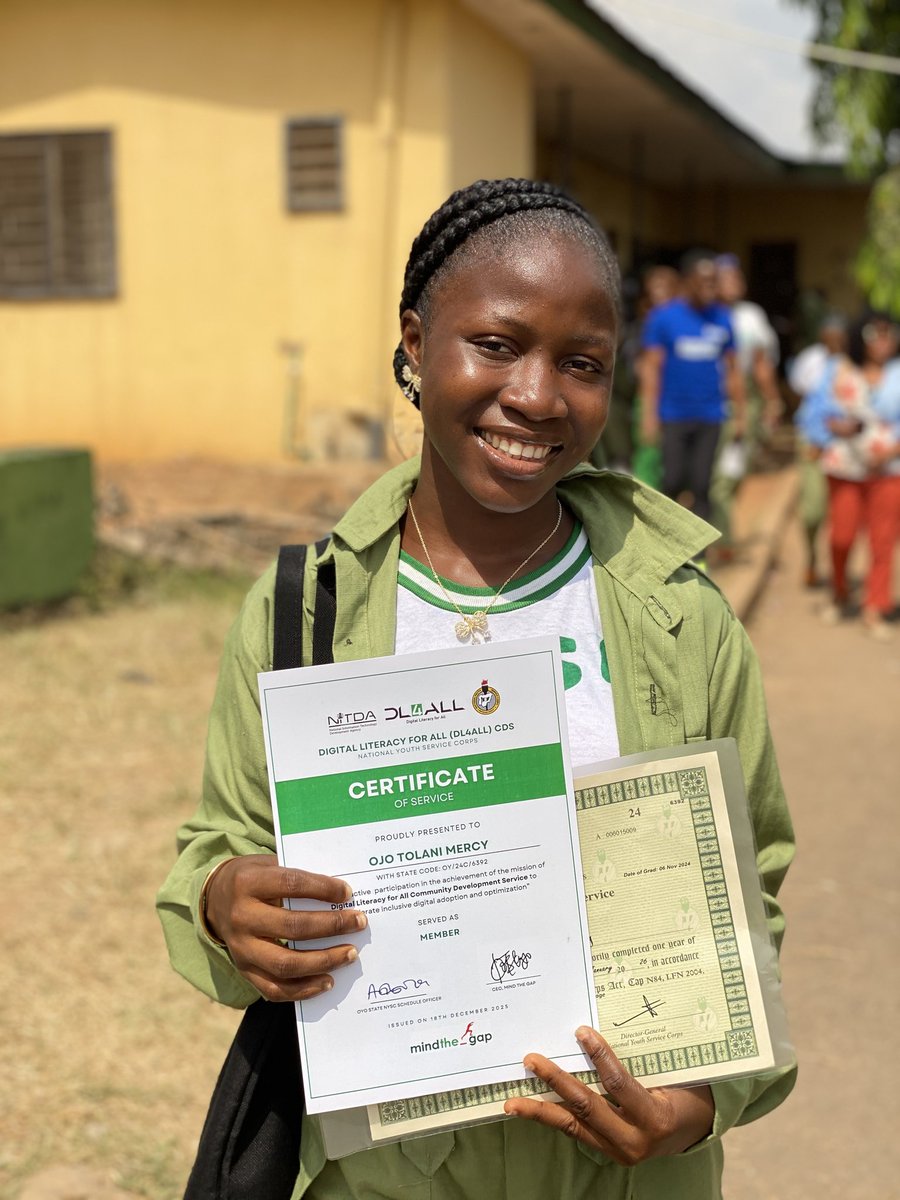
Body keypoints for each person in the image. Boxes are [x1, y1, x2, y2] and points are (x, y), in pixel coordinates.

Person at [157, 179, 794, 1199]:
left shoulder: (683, 617)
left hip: (624, 1180)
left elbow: (748, 885)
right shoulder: (301, 612)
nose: (538, 396)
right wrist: (224, 904)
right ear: (414, 341)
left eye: (581, 364)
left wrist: (704, 1101)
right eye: (497, 345)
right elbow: (219, 848)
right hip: (385, 1176)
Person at [799, 313, 900, 639]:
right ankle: (840, 591)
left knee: (882, 540)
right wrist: (831, 430)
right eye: (875, 333)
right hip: (845, 466)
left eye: (889, 334)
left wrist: (892, 450)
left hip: (889, 469)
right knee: (842, 536)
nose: (882, 341)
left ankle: (876, 605)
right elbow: (814, 413)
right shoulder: (839, 369)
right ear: (861, 336)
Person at [639, 250, 745, 528]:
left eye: (714, 282)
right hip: (673, 413)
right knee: (672, 480)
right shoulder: (663, 318)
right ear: (688, 281)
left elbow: (734, 370)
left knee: (701, 484)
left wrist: (741, 415)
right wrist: (649, 415)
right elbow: (651, 369)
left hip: (711, 415)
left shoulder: (723, 318)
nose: (711, 288)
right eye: (705, 282)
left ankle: (699, 557)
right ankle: (667, 541)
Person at [710, 255, 782, 560]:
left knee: (736, 468)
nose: (734, 283)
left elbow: (762, 363)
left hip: (746, 403)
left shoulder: (752, 317)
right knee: (717, 478)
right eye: (726, 277)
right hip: (710, 400)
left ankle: (720, 535)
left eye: (736, 277)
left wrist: (772, 401)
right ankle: (722, 540)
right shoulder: (704, 314)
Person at [788, 315, 849, 587]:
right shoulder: (809, 361)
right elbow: (801, 397)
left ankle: (839, 574)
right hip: (811, 444)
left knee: (842, 515)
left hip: (843, 447)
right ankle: (811, 557)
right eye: (829, 333)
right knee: (812, 510)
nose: (834, 339)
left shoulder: (853, 363)